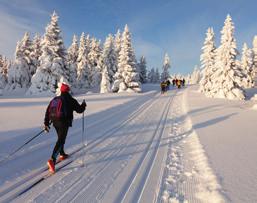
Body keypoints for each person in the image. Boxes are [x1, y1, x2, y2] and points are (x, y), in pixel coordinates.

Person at [44, 83, 86, 173]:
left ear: (61, 91)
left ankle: (62, 153)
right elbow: (79, 110)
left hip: (55, 122)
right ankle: (52, 159)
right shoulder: (70, 100)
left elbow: (48, 111)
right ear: (67, 91)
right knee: (61, 140)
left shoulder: (55, 99)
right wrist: (83, 105)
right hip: (64, 122)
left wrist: (46, 123)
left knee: (60, 137)